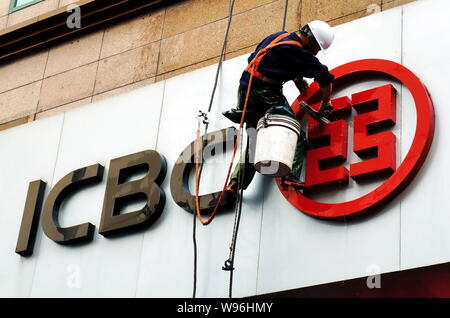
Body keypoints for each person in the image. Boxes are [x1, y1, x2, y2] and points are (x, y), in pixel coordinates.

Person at [222, 20, 335, 193]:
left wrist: (297, 80)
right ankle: (291, 177)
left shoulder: (278, 36)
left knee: (255, 137)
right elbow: (325, 79)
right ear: (310, 38)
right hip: (265, 93)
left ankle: (236, 182)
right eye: (317, 49)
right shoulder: (298, 52)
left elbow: (264, 58)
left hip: (245, 89)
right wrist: (326, 103)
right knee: (294, 134)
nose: (316, 53)